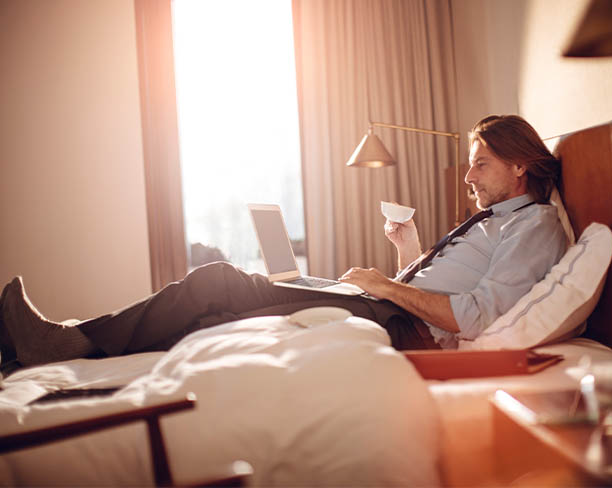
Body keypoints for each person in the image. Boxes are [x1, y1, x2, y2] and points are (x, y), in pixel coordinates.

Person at [0, 115, 568, 369]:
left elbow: (473, 315)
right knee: (219, 311)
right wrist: (406, 254)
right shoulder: (494, 220)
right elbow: (445, 286)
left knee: (218, 281)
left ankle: (72, 344)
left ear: (520, 166)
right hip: (387, 307)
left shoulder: (534, 226)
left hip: (398, 327)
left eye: (480, 164)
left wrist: (385, 287)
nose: (468, 177)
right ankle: (69, 345)